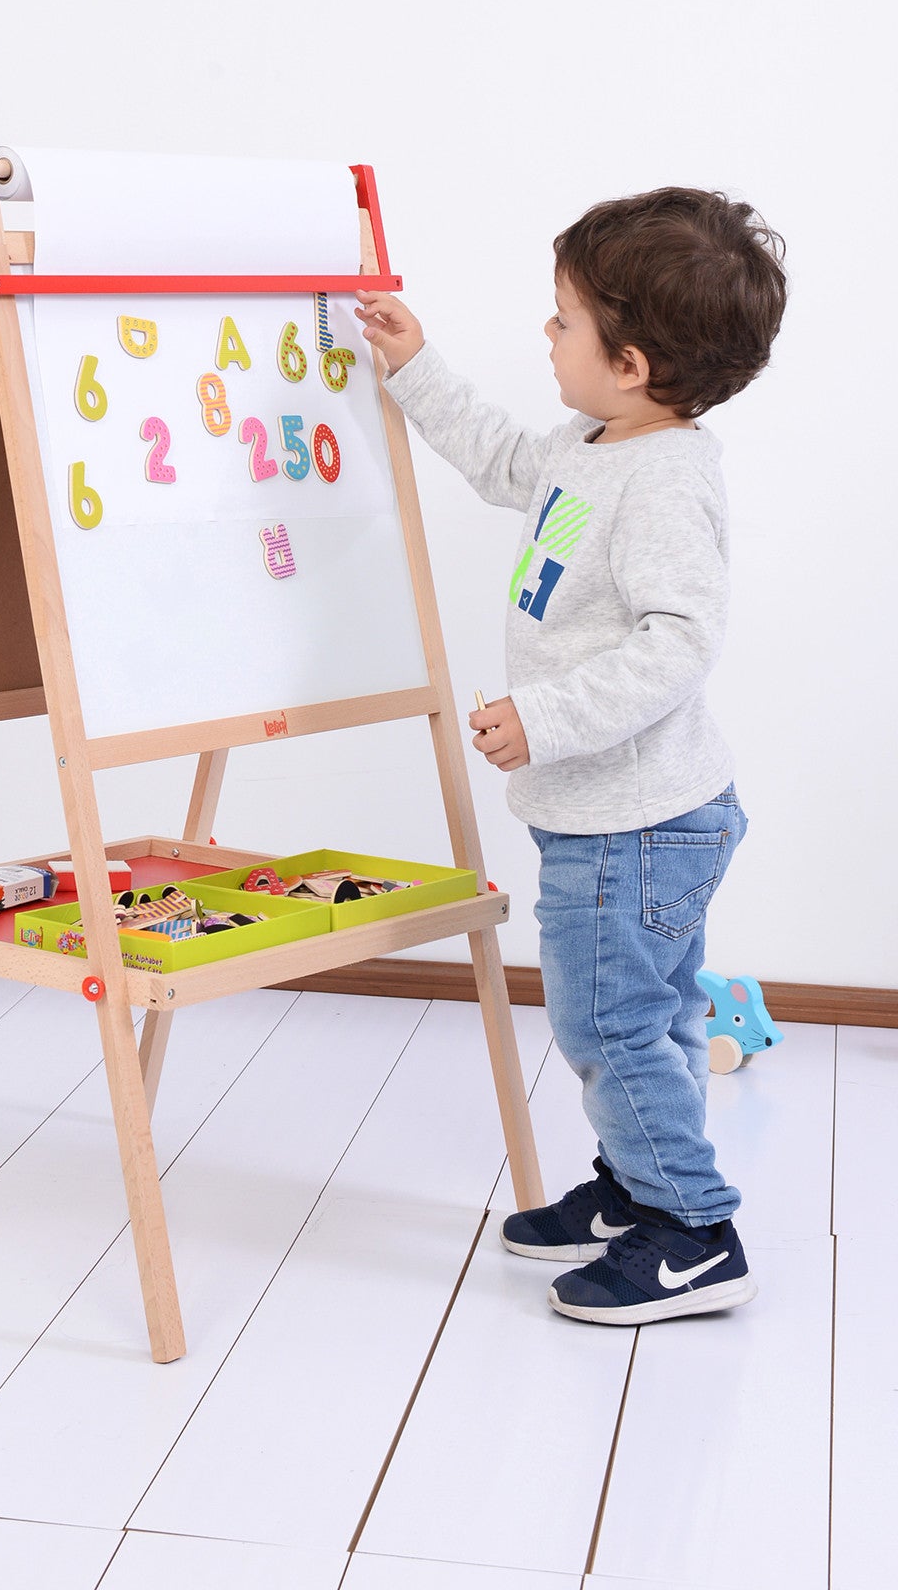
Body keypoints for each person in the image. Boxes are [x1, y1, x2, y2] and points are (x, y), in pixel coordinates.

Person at [356, 187, 787, 1325]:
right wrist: (412, 365)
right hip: (626, 815)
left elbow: (679, 643)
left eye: (561, 323)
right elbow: (504, 461)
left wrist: (543, 720)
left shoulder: (664, 481)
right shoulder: (593, 446)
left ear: (631, 362)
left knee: (608, 1026)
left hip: (632, 824)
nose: (545, 339)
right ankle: (632, 1194)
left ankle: (691, 1228)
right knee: (655, 1017)